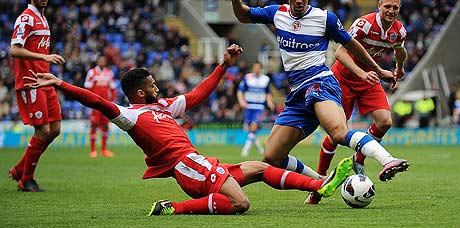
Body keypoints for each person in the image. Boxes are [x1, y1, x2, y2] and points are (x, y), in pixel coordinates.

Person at [23, 44, 353, 215]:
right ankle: (172, 209)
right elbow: (99, 103)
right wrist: (61, 84)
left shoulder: (163, 106)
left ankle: (320, 185)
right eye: (152, 85)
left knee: (260, 168)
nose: (158, 87)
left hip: (197, 163)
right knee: (241, 204)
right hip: (187, 166)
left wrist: (223, 65)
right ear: (140, 92)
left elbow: (197, 95)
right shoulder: (132, 115)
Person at [223, 0, 409, 198]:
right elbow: (245, 15)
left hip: (320, 82)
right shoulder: (277, 13)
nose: (299, 0)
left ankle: (387, 160)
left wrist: (378, 70)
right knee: (271, 158)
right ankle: (322, 180)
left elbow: (351, 45)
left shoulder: (325, 18)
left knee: (339, 133)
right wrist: (235, 2)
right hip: (297, 94)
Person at [307, 0, 410, 204]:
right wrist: (362, 73)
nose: (391, 11)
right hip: (342, 80)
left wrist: (399, 66)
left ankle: (358, 159)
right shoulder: (364, 24)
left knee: (385, 121)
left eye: (395, 7)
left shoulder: (398, 31)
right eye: (387, 6)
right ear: (379, 6)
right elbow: (340, 53)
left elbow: (399, 49)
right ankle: (318, 185)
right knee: (336, 134)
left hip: (368, 79)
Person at [8, 0, 66, 192]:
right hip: (31, 82)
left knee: (55, 129)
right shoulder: (26, 18)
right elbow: (14, 49)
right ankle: (26, 179)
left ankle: (19, 169)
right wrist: (44, 58)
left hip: (45, 81)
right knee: (42, 131)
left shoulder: (42, 18)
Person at [237, 61, 275, 157]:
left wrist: (269, 101)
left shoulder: (265, 79)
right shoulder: (247, 78)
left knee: (254, 126)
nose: (257, 69)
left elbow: (267, 92)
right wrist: (241, 101)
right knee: (251, 130)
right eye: (255, 68)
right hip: (248, 106)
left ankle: (245, 150)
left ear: (260, 69)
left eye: (258, 68)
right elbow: (240, 91)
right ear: (253, 68)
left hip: (259, 107)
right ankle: (261, 150)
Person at [84, 55, 117, 158]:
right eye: (100, 60)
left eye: (103, 60)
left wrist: (114, 101)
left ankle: (104, 150)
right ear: (97, 61)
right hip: (95, 104)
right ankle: (93, 150)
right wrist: (89, 103)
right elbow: (87, 88)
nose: (102, 62)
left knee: (105, 126)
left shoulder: (109, 73)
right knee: (94, 125)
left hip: (106, 104)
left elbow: (112, 88)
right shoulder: (92, 72)